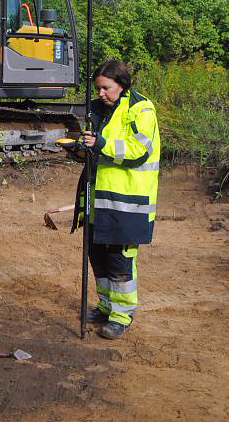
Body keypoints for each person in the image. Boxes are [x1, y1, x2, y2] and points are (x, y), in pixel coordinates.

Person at [73, 60, 160, 340]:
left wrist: (101, 145)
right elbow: (94, 145)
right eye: (97, 88)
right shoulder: (100, 110)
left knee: (119, 259)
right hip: (99, 198)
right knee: (97, 254)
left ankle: (122, 316)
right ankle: (107, 306)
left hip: (127, 202)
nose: (100, 93)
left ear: (121, 85)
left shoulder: (140, 109)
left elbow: (138, 150)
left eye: (105, 88)